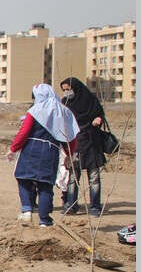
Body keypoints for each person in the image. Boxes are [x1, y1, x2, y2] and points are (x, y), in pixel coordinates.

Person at [7, 83, 80, 227]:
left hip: (31, 149)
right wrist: (69, 155)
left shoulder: (35, 110)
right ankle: (45, 220)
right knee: (45, 186)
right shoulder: (64, 112)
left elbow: (24, 132)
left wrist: (13, 149)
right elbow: (70, 137)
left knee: (24, 179)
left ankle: (27, 210)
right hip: (50, 151)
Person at [60, 77, 107, 217]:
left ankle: (95, 207)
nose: (66, 92)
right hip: (75, 144)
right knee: (73, 177)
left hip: (92, 143)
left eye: (69, 89)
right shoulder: (65, 104)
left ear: (76, 88)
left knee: (94, 178)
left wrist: (99, 119)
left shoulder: (90, 100)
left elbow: (100, 114)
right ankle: (71, 205)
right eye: (64, 90)